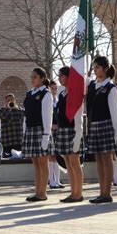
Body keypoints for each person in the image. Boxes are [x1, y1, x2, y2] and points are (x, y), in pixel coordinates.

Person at [86, 57, 117, 203]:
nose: (95, 70)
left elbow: (115, 112)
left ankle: (107, 193)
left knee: (107, 159)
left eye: (98, 68)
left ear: (105, 69)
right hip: (94, 125)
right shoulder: (92, 86)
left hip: (107, 125)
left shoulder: (111, 88)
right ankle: (101, 191)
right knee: (98, 159)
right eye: (94, 68)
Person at [22, 68, 54, 202]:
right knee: (36, 163)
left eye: (35, 77)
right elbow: (26, 115)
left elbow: (47, 116)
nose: (32, 79)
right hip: (30, 130)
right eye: (32, 77)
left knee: (43, 163)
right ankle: (37, 191)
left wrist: (46, 135)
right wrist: (24, 132)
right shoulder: (29, 94)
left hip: (41, 130)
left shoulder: (46, 94)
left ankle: (43, 193)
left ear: (42, 78)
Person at [56, 67, 84, 203]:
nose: (59, 78)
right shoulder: (61, 93)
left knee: (75, 163)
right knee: (68, 163)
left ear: (68, 77)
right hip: (63, 129)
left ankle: (78, 193)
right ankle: (73, 192)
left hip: (73, 130)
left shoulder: (74, 92)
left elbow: (79, 116)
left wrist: (78, 135)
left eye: (61, 75)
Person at [48, 80, 64, 189]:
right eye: (52, 89)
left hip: (58, 130)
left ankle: (57, 180)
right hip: (50, 129)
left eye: (55, 89)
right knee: (51, 156)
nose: (54, 91)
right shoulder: (47, 100)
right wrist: (51, 126)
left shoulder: (58, 101)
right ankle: (51, 180)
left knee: (57, 155)